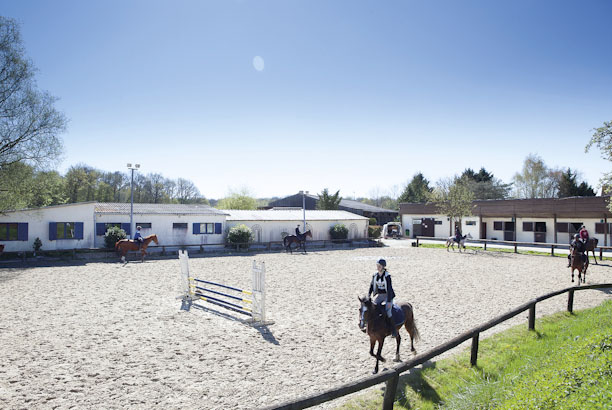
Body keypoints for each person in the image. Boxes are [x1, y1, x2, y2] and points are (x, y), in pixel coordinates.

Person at [367, 259, 397, 338]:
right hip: (380, 295)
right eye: (377, 266)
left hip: (388, 295)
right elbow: (371, 285)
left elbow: (389, 288)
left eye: (379, 266)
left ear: (383, 267)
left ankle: (394, 330)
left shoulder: (387, 276)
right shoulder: (375, 275)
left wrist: (389, 300)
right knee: (372, 308)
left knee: (388, 311)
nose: (378, 267)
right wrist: (369, 295)